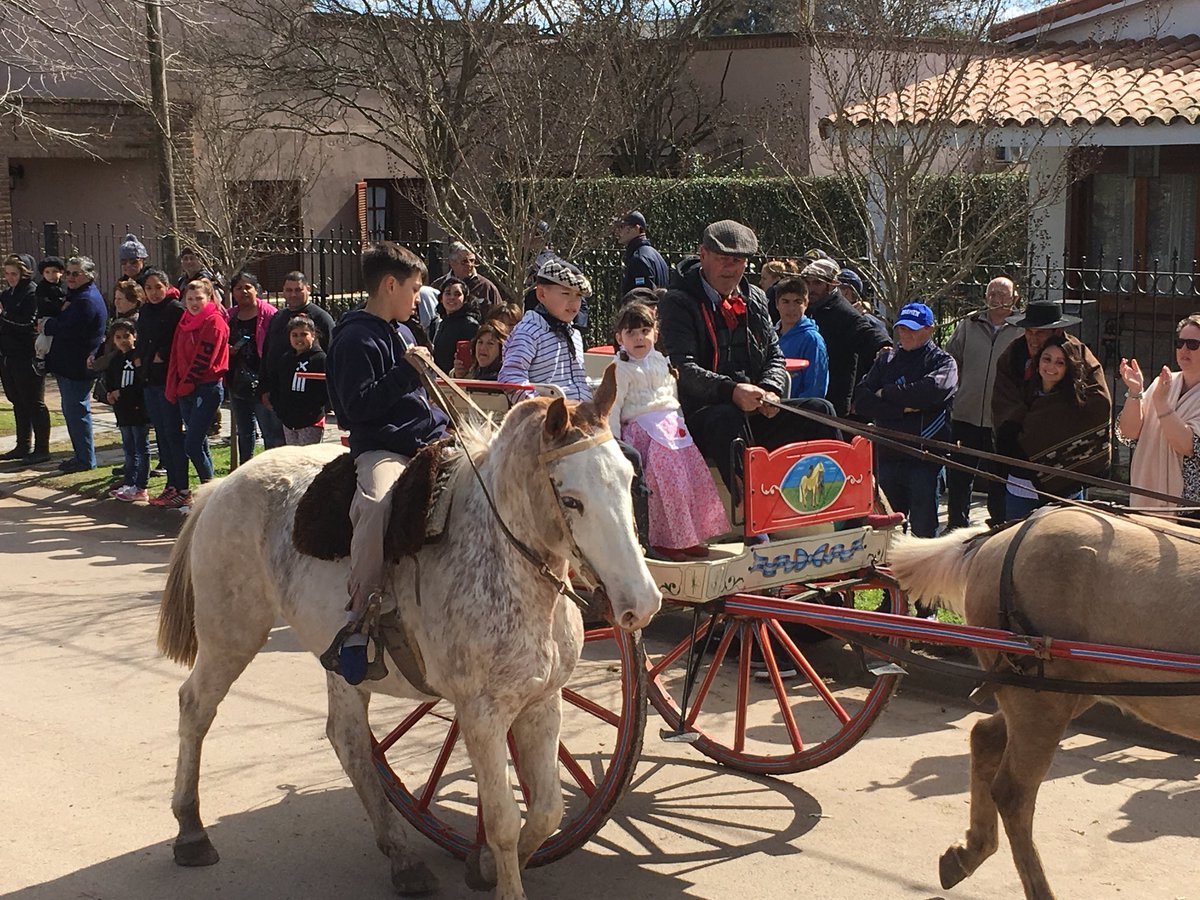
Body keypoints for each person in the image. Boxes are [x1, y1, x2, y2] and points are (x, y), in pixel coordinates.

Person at [325, 242, 450, 683]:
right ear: (390, 284)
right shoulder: (354, 337)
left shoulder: (406, 331)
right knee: (377, 504)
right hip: (385, 449)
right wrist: (406, 372)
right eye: (414, 288)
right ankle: (360, 617)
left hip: (433, 439)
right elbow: (356, 410)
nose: (419, 298)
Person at [657, 220, 840, 500]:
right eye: (722, 259)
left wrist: (771, 390)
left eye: (738, 261)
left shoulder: (754, 297)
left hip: (754, 405)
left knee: (820, 409)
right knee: (726, 417)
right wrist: (731, 391)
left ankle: (841, 504)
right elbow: (682, 369)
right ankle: (752, 510)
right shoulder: (678, 302)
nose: (731, 269)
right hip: (704, 415)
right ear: (702, 254)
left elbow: (774, 355)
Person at [608, 302, 729, 561]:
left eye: (644, 330)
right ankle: (663, 540)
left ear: (655, 332)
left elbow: (672, 396)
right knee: (664, 484)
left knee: (689, 479)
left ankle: (688, 536)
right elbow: (614, 406)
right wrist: (614, 441)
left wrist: (681, 422)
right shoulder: (620, 368)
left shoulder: (662, 362)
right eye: (631, 333)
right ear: (620, 337)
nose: (639, 338)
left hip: (672, 429)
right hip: (644, 431)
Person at [992, 298, 1111, 515]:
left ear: (1056, 332)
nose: (1033, 338)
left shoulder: (1078, 355)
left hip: (1068, 465)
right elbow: (1004, 403)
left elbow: (1099, 402)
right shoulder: (1012, 356)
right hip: (1022, 467)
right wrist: (1027, 431)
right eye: (1029, 332)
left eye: (1040, 333)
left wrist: (1052, 417)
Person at [852, 302, 957, 538]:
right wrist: (903, 409)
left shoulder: (943, 362)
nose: (905, 334)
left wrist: (887, 394)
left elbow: (931, 392)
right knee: (888, 530)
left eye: (913, 329)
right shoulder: (886, 360)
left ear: (930, 330)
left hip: (924, 459)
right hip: (887, 456)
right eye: (902, 329)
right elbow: (862, 399)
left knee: (924, 531)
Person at [943, 276, 1024, 528]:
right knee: (959, 475)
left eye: (1003, 294)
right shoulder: (969, 324)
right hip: (966, 414)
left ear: (1015, 298)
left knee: (998, 478)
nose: (997, 300)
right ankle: (956, 525)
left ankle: (998, 524)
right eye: (992, 294)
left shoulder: (1021, 329)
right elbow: (952, 358)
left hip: (1000, 418)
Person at [1118, 314, 1200, 519]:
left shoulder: (1161, 393)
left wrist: (1162, 405)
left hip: (1188, 507)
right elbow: (1128, 432)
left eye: (1193, 344)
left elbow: (1189, 445)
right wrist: (1136, 392)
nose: (1184, 350)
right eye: (1179, 343)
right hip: (1145, 495)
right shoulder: (1162, 383)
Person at [165, 279, 229, 505]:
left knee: (191, 444)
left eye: (199, 299)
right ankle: (207, 491)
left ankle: (210, 496)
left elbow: (204, 358)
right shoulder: (185, 321)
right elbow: (176, 353)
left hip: (206, 387)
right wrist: (174, 384)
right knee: (199, 443)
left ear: (209, 298)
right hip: (185, 389)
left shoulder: (214, 322)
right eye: (189, 299)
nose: (193, 303)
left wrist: (187, 384)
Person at [801, 257, 891, 417]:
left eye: (817, 283)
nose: (811, 288)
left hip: (835, 396)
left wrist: (883, 345)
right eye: (808, 282)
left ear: (830, 285)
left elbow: (865, 331)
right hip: (806, 390)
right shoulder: (806, 308)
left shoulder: (842, 311)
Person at [43, 255, 107, 472]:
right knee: (72, 412)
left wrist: (47, 324)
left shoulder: (86, 300)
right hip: (68, 365)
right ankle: (80, 455)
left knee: (77, 412)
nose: (70, 277)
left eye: (75, 273)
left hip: (77, 367)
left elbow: (66, 328)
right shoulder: (76, 296)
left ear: (88, 275)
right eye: (68, 273)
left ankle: (85, 459)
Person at [498, 258, 592, 402]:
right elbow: (511, 376)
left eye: (578, 295)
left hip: (579, 414)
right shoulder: (529, 332)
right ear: (541, 294)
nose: (574, 303)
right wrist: (539, 407)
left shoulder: (574, 334)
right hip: (548, 419)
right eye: (566, 294)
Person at [138, 268, 188, 507]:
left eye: (158, 287)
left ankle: (182, 486)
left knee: (172, 433)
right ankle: (170, 484)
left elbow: (180, 341)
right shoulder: (146, 310)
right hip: (150, 378)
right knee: (161, 434)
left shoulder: (175, 309)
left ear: (167, 287)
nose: (154, 292)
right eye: (149, 288)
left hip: (168, 380)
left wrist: (163, 355)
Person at [259, 271, 335, 424]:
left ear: (308, 289)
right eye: (289, 290)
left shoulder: (322, 319)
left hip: (308, 405)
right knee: (275, 444)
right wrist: (264, 387)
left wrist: (327, 401)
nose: (293, 294)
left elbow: (334, 359)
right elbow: (267, 353)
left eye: (298, 290)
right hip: (277, 397)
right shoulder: (278, 318)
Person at [0, 254, 51, 463]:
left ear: (24, 273)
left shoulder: (32, 292)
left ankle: (42, 449)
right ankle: (23, 445)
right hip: (8, 354)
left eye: (15, 274)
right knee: (17, 401)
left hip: (27, 355)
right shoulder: (7, 294)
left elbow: (29, 324)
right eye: (7, 274)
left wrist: (3, 316)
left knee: (34, 402)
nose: (11, 278)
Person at [225, 271, 280, 461]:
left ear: (257, 290)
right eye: (238, 288)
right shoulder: (230, 316)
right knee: (244, 431)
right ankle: (245, 467)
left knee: (270, 432)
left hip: (263, 381)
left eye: (248, 287)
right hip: (238, 382)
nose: (243, 291)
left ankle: (271, 467)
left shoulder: (270, 314)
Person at [104, 319, 151, 502]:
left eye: (127, 336)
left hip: (138, 410)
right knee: (128, 448)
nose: (123, 340)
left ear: (134, 336)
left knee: (141, 448)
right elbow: (110, 380)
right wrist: (110, 394)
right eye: (118, 337)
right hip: (122, 412)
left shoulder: (137, 357)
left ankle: (141, 485)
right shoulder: (115, 360)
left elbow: (140, 383)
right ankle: (129, 482)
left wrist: (122, 393)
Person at [270, 315, 328, 446]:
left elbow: (326, 390)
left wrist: (314, 409)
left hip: (310, 420)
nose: (299, 339)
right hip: (289, 421)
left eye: (303, 334)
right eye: (294, 335)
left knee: (308, 458)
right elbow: (278, 384)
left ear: (313, 335)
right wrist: (280, 409)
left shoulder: (320, 359)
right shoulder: (286, 358)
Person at [774, 275, 829, 400]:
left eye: (798, 302)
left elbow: (815, 389)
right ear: (777, 304)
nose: (791, 308)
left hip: (797, 411)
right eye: (785, 301)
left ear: (806, 303)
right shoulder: (771, 336)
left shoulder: (812, 339)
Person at [432, 242, 503, 315]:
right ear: (452, 263)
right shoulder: (438, 286)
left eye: (472, 260)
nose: (470, 265)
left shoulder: (486, 287)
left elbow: (500, 316)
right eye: (464, 261)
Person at [430, 276, 480, 373]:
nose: (452, 297)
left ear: (465, 299)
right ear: (441, 298)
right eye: (448, 293)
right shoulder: (438, 323)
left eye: (457, 294)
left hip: (457, 381)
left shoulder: (469, 324)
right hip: (438, 379)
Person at [615, 211, 669, 295]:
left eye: (622, 226)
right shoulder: (656, 255)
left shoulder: (639, 258)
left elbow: (643, 297)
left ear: (637, 228)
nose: (618, 231)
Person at [33, 256, 66, 375]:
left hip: (60, 317)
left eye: (54, 271)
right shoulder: (42, 288)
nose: (51, 275)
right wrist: (59, 306)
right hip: (46, 316)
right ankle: (39, 358)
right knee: (45, 339)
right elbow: (43, 303)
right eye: (47, 272)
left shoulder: (64, 286)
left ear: (61, 273)